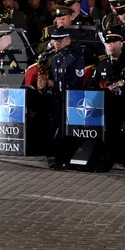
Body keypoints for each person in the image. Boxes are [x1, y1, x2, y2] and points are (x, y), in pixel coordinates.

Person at [89, 27, 125, 166]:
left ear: (121, 43)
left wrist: (119, 90)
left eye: (113, 42)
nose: (110, 45)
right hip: (106, 103)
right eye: (108, 42)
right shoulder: (102, 63)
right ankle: (105, 153)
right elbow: (93, 83)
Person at [35, 26, 86, 168]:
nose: (56, 43)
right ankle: (54, 156)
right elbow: (54, 79)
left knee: (64, 130)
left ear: (68, 41)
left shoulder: (75, 58)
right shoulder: (56, 58)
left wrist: (52, 83)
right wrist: (44, 84)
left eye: (60, 40)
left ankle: (66, 158)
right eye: (55, 40)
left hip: (71, 101)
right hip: (57, 99)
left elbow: (77, 83)